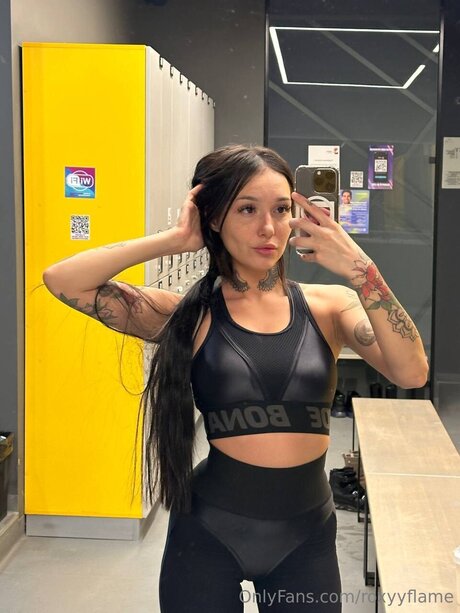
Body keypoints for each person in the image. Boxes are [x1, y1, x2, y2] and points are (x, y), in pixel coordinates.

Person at [43, 145, 428, 612]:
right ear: (214, 219)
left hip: (305, 538)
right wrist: (173, 240)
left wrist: (362, 270)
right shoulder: (188, 314)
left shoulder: (331, 306)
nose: (269, 228)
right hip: (209, 533)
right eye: (247, 209)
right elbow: (64, 280)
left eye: (281, 209)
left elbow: (411, 371)